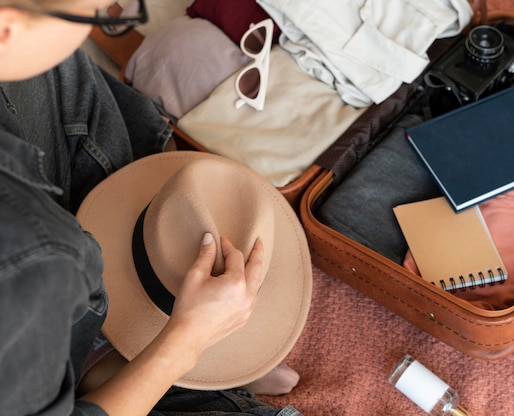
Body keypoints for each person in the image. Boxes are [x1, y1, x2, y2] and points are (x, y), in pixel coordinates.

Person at [0, 0, 307, 414]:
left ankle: (132, 348)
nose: (113, 7)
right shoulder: (37, 256)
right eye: (100, 10)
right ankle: (146, 363)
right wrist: (189, 339)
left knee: (68, 77)